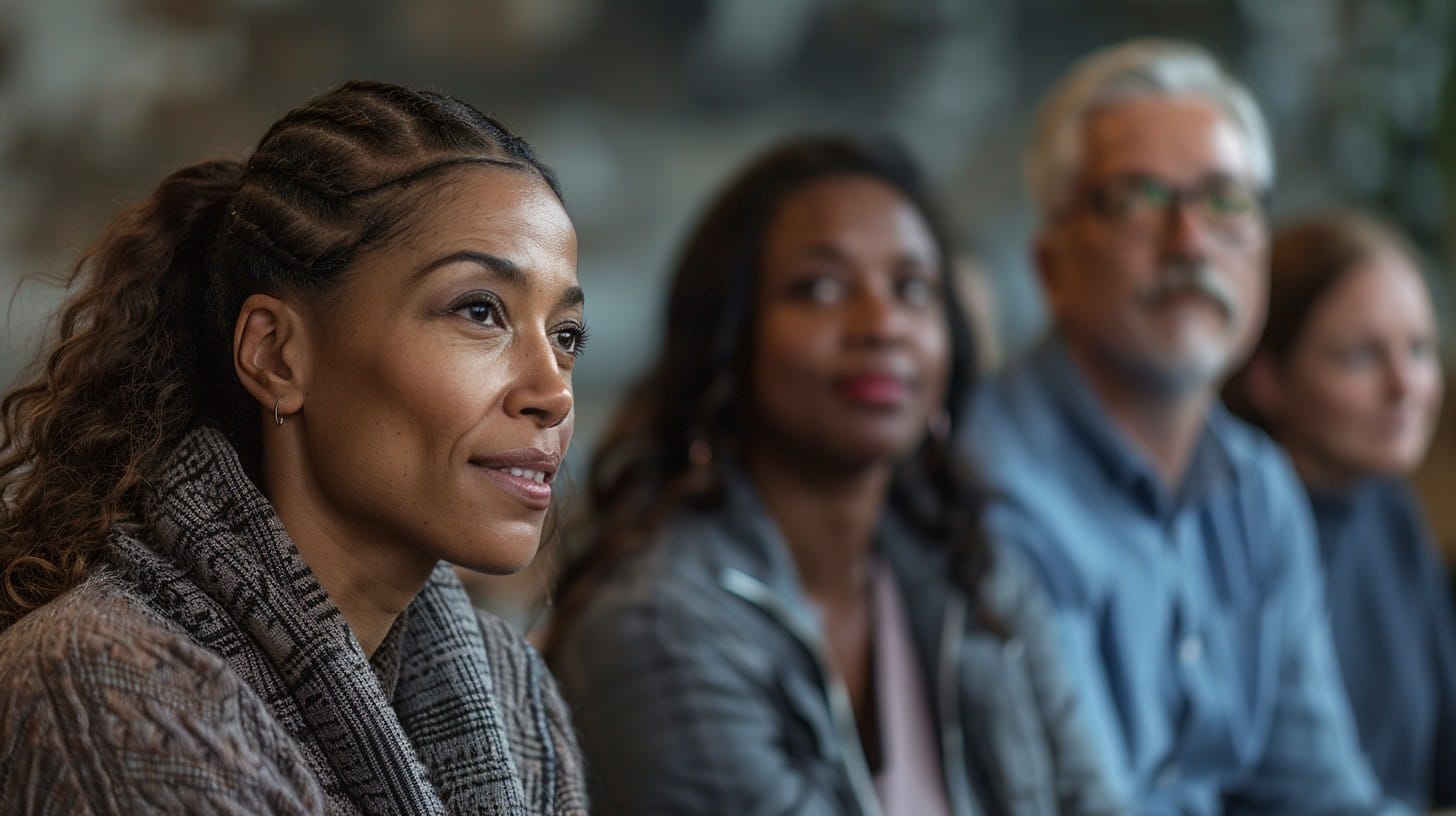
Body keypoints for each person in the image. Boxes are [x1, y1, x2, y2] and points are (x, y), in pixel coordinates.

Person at [0, 80, 589, 814]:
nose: (555, 392)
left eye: (566, 337)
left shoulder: (516, 693)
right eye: (479, 310)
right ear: (277, 356)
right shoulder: (103, 689)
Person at [547, 136, 1121, 816]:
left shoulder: (977, 577)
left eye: (912, 289)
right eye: (820, 288)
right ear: (731, 338)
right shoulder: (655, 624)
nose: (881, 325)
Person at [967, 40, 1409, 813]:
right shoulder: (989, 491)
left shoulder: (1257, 486)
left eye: (1227, 201)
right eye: (1137, 199)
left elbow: (1319, 796)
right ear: (1050, 267)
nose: (1190, 242)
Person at [1225, 210, 1456, 812]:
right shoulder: (1238, 535)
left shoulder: (1389, 508)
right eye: (1361, 357)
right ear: (1266, 376)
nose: (1406, 386)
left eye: (1420, 349)